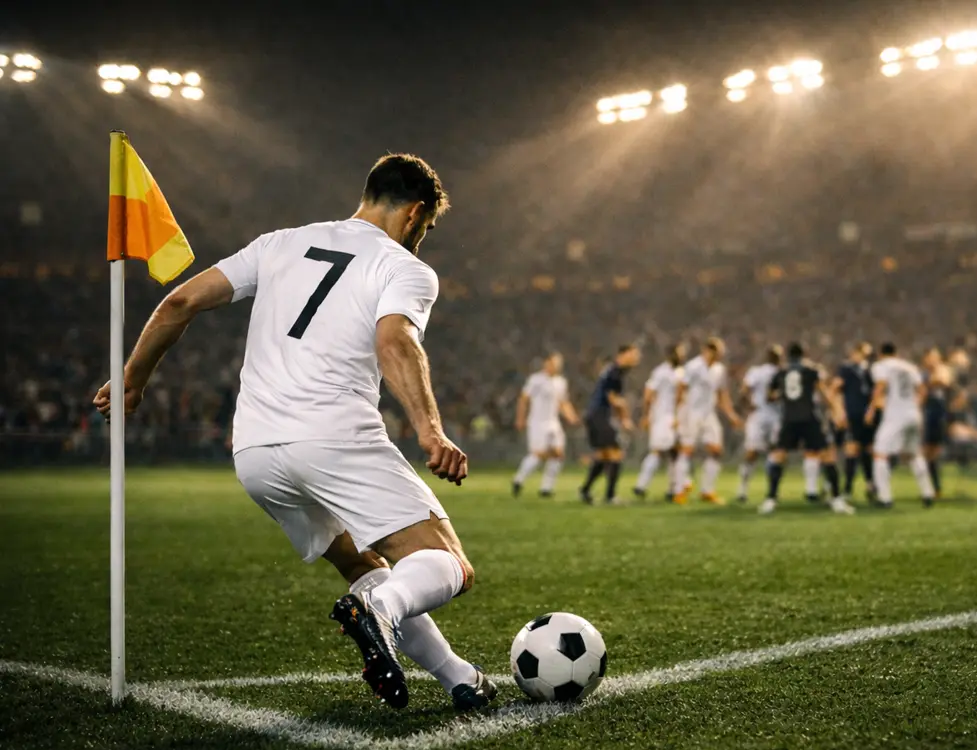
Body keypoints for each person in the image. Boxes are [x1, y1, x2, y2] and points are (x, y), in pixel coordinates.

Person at [93, 154, 495, 712]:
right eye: (424, 230)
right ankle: (380, 612)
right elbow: (396, 342)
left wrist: (132, 380)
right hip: (333, 437)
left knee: (365, 568)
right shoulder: (404, 268)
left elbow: (179, 301)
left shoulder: (278, 243)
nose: (420, 241)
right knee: (449, 563)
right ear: (415, 214)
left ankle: (460, 679)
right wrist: (431, 432)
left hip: (255, 453)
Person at [759, 343, 853, 515]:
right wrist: (837, 411)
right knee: (827, 456)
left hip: (789, 419)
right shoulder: (811, 370)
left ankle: (770, 499)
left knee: (779, 456)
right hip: (810, 418)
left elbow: (770, 396)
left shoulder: (780, 372)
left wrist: (784, 396)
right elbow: (823, 392)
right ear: (804, 355)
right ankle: (837, 499)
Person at [865, 342, 936, 508]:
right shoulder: (909, 367)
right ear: (896, 353)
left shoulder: (880, 366)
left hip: (895, 415)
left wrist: (871, 409)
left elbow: (881, 385)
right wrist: (915, 407)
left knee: (879, 453)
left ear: (881, 354)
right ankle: (927, 493)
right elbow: (923, 391)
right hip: (913, 414)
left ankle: (885, 497)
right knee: (914, 453)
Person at [673, 337, 742, 505]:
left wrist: (731, 414)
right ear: (707, 350)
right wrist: (676, 414)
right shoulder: (693, 366)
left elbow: (721, 395)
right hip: (692, 413)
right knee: (687, 450)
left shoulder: (719, 370)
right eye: (717, 352)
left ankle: (707, 490)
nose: (720, 355)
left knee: (716, 450)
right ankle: (679, 490)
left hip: (708, 414)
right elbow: (681, 389)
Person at [580, 344, 642, 504]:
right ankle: (610, 496)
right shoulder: (616, 372)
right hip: (600, 415)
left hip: (595, 414)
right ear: (623, 354)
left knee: (604, 455)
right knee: (616, 453)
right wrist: (625, 418)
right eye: (633, 354)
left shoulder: (611, 370)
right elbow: (614, 399)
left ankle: (585, 490)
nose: (637, 358)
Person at [512, 352, 579, 498]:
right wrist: (520, 418)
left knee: (558, 454)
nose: (556, 366)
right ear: (546, 363)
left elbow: (562, 402)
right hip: (537, 422)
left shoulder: (560, 382)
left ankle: (546, 488)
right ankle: (518, 479)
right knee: (539, 454)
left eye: (558, 363)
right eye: (553, 363)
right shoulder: (536, 380)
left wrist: (571, 416)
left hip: (553, 422)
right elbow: (524, 399)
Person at [633, 342, 686, 500]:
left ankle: (673, 489)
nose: (682, 355)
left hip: (672, 417)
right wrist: (646, 415)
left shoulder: (680, 372)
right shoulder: (661, 372)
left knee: (674, 453)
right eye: (679, 352)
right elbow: (648, 394)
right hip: (663, 417)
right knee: (658, 451)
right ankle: (641, 485)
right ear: (671, 354)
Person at [737, 345, 783, 503]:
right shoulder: (770, 372)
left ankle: (750, 489)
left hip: (767, 415)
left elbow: (743, 391)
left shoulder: (759, 372)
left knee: (760, 453)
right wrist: (748, 405)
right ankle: (745, 489)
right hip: (767, 415)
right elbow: (744, 391)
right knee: (761, 452)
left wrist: (748, 405)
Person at [832, 341, 876, 500]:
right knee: (852, 449)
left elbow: (876, 393)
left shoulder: (871, 370)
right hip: (853, 413)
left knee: (868, 449)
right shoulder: (846, 369)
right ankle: (848, 488)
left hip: (869, 415)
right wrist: (839, 411)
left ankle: (871, 483)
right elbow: (835, 389)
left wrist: (872, 410)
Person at [922, 348, 953, 499]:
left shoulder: (943, 371)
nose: (932, 360)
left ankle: (935, 488)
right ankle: (931, 487)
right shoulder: (923, 374)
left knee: (933, 453)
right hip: (927, 415)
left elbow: (944, 381)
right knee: (926, 453)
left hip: (940, 416)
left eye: (935, 357)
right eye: (930, 357)